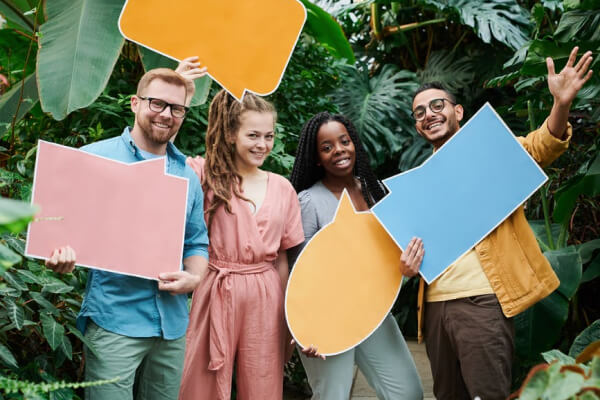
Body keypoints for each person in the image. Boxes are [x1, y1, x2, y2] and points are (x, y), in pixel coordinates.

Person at [408, 47, 593, 400]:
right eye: (420, 112)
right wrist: (407, 264)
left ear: (457, 111)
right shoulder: (417, 183)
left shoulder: (491, 152)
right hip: (433, 308)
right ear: (417, 126)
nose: (428, 115)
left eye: (437, 105)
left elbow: (542, 147)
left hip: (482, 301)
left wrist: (561, 103)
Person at [45, 68, 210, 399]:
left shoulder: (187, 177)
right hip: (115, 321)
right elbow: (55, 227)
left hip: (172, 324)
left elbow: (196, 242)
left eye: (176, 108)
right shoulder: (93, 159)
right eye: (157, 104)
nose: (167, 114)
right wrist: (58, 253)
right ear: (135, 103)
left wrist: (194, 278)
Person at [288, 111, 424, 400]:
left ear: (354, 144)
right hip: (326, 320)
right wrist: (305, 328)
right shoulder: (308, 202)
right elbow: (298, 275)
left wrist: (405, 267)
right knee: (332, 395)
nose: (338, 150)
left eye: (344, 141)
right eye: (326, 147)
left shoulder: (375, 193)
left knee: (408, 392)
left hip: (372, 312)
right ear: (316, 158)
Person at [178, 89, 304, 400]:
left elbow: (282, 260)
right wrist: (182, 87)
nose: (263, 145)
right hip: (215, 285)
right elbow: (163, 156)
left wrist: (288, 319)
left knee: (263, 382)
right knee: (199, 381)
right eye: (253, 135)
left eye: (269, 136)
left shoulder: (283, 188)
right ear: (232, 134)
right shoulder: (205, 175)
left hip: (266, 291)